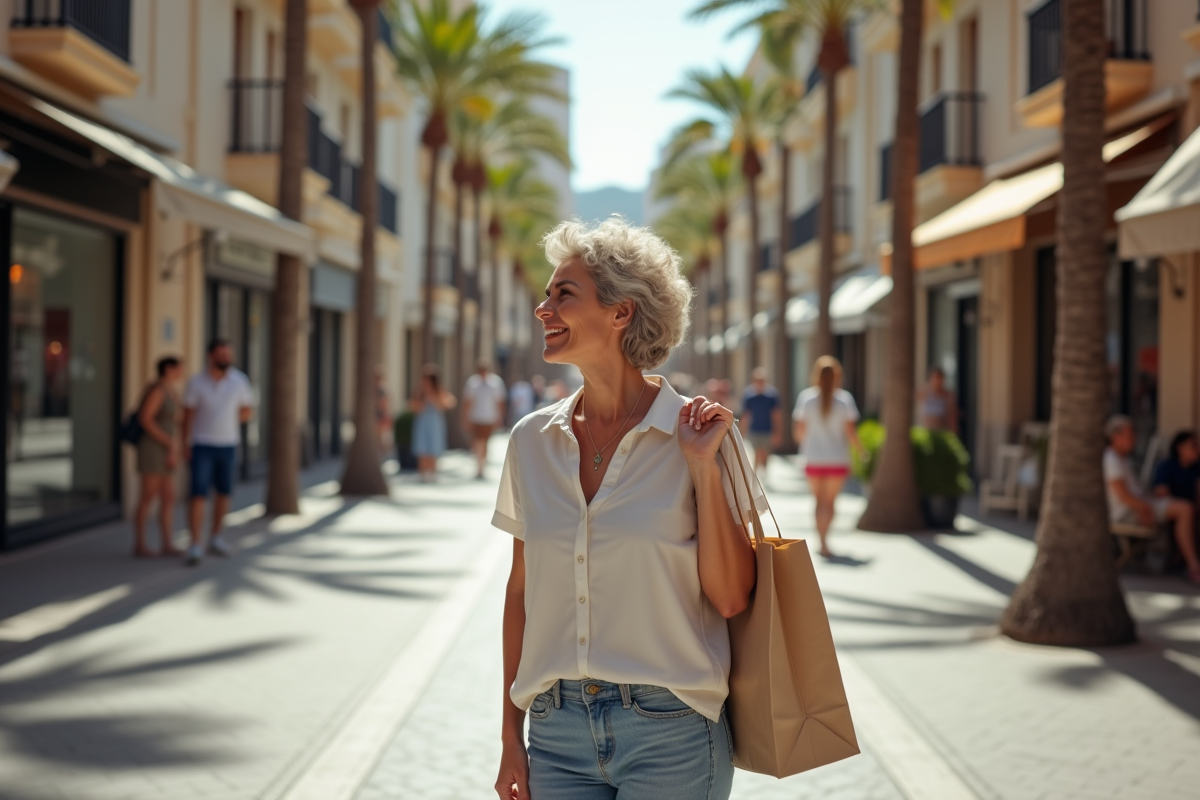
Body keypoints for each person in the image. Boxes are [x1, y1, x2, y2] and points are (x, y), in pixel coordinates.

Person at [493, 218, 758, 800]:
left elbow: (732, 596)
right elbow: (521, 593)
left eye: (563, 293)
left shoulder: (703, 434)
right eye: (546, 293)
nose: (543, 308)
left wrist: (700, 470)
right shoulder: (531, 441)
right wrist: (512, 736)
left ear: (622, 312)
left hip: (672, 732)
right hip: (556, 731)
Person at [182, 339, 255, 567]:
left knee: (224, 493)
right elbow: (188, 416)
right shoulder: (196, 382)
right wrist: (185, 443)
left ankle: (215, 537)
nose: (226, 358)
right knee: (198, 494)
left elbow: (247, 411)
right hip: (201, 445)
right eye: (221, 354)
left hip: (228, 445)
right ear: (211, 356)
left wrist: (230, 418)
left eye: (228, 354)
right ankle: (195, 543)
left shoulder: (239, 381)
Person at [1104, 416, 1199, 584]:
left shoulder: (1123, 459)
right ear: (1116, 437)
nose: (1134, 438)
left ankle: (1180, 559)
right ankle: (1193, 567)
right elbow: (1122, 495)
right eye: (1130, 434)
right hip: (1127, 512)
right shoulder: (1111, 459)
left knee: (1185, 509)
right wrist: (1144, 508)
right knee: (1184, 509)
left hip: (1138, 507)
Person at [793, 356, 861, 559]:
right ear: (838, 376)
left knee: (818, 501)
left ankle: (820, 541)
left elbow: (799, 433)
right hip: (837, 459)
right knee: (830, 503)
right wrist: (862, 452)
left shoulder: (806, 398)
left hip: (813, 458)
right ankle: (825, 541)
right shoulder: (845, 400)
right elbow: (850, 433)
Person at [133, 356, 184, 557]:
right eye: (179, 367)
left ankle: (167, 543)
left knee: (168, 497)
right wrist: (169, 442)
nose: (182, 371)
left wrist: (173, 447)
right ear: (169, 368)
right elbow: (145, 419)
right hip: (153, 448)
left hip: (166, 449)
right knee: (148, 496)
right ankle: (139, 543)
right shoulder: (157, 390)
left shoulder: (171, 389)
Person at [411, 364, 456, 482]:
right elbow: (413, 407)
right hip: (422, 421)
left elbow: (449, 403)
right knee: (422, 447)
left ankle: (432, 472)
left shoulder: (439, 391)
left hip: (435, 422)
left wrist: (433, 397)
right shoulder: (420, 392)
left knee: (433, 446)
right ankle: (422, 472)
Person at [463, 360, 506, 479]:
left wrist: (499, 418)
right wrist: (466, 418)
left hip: (489, 418)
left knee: (485, 443)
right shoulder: (472, 383)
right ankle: (478, 466)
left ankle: (482, 466)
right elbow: (468, 402)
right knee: (476, 443)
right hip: (476, 417)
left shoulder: (496, 383)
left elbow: (500, 402)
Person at [739, 366, 782, 474]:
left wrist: (777, 432)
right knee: (756, 453)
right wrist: (742, 433)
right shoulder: (749, 395)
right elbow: (746, 415)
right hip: (754, 429)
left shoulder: (772, 395)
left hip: (767, 430)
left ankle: (763, 471)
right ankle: (756, 477)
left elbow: (776, 415)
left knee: (765, 454)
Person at [1153, 430, 1200, 506]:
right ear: (1180, 448)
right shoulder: (1165, 467)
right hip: (1174, 511)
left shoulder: (1196, 468)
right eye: (1194, 445)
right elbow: (1161, 494)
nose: (1198, 450)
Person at [918, 367, 958, 432]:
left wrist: (953, 430)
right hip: (926, 428)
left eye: (939, 378)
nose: (937, 381)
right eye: (934, 378)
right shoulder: (925, 391)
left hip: (941, 429)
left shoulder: (947, 395)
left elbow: (951, 414)